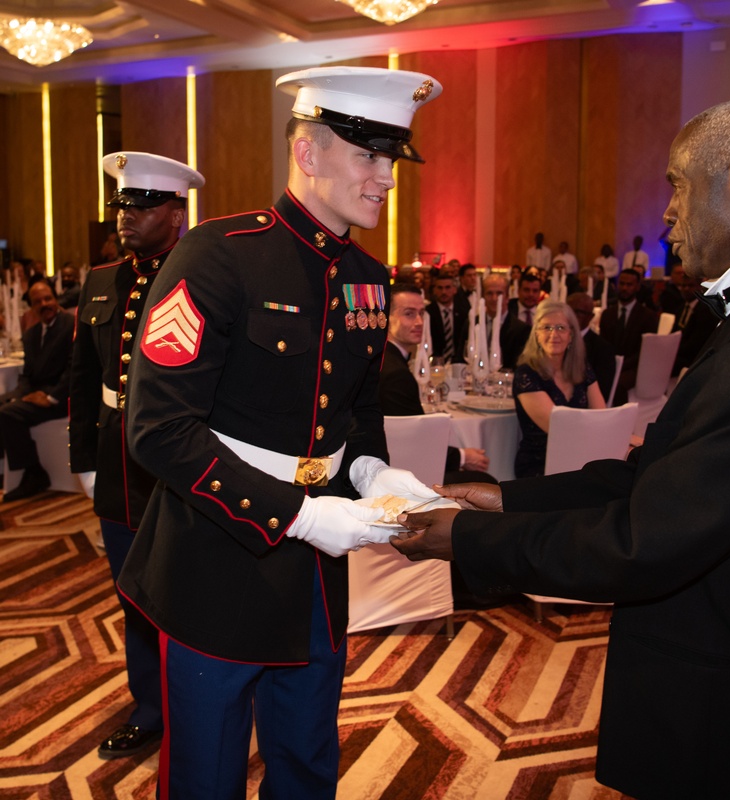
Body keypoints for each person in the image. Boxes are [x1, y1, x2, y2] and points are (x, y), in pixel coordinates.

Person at [392, 93, 730, 799]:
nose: (668, 214)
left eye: (678, 185)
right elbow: (657, 476)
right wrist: (504, 498)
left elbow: (645, 541)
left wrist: (464, 538)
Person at [117, 66, 442, 798]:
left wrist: (372, 471)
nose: (387, 177)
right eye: (369, 156)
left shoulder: (368, 275)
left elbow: (355, 409)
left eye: (393, 159)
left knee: (306, 762)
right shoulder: (217, 254)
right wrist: (302, 515)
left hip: (318, 574)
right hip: (217, 556)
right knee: (207, 773)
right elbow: (160, 430)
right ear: (306, 152)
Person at [69, 151, 205, 759]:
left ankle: (202, 704)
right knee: (133, 594)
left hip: (182, 467)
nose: (126, 217)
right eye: (122, 205)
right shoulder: (101, 280)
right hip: (118, 467)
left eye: (144, 206)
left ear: (176, 214)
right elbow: (82, 378)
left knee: (189, 594)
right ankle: (150, 708)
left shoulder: (203, 274)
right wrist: (84, 459)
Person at [381, 284, 490, 478]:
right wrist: (463, 457)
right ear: (386, 319)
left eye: (422, 313)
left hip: (394, 464)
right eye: (409, 314)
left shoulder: (384, 358)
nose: (419, 322)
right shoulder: (396, 374)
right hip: (401, 474)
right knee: (485, 481)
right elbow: (413, 441)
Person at [512, 299, 604, 478]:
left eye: (561, 328)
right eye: (546, 327)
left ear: (571, 335)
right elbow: (559, 429)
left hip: (581, 459)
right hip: (540, 466)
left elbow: (602, 415)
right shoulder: (526, 374)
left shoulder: (582, 369)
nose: (554, 334)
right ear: (536, 334)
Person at [0, 281, 74, 501]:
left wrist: (51, 397)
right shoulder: (31, 334)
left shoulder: (71, 326)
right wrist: (22, 395)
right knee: (3, 403)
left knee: (7, 413)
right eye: (37, 302)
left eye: (47, 298)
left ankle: (34, 473)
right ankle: (2, 469)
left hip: (62, 398)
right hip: (36, 395)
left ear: (56, 299)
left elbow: (74, 370)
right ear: (32, 307)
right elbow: (26, 375)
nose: (44, 304)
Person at [598, 267, 659, 405]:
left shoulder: (648, 316)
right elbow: (603, 344)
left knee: (618, 384)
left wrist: (621, 365)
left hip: (634, 367)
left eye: (629, 284)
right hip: (611, 363)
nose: (624, 288)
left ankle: (620, 416)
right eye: (622, 284)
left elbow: (645, 350)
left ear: (637, 287)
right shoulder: (607, 314)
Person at [567, 291, 616, 403]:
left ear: (590, 317)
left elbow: (603, 392)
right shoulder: (557, 340)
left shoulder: (602, 348)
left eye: (578, 312)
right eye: (568, 311)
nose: (571, 316)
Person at [670, 271, 717, 376]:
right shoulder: (681, 307)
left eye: (690, 286)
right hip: (679, 352)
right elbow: (674, 333)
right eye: (683, 286)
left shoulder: (705, 310)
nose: (686, 289)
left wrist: (673, 351)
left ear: (699, 287)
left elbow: (696, 343)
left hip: (694, 357)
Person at [480, 273, 530, 369]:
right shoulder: (473, 323)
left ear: (507, 297)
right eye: (489, 293)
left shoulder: (521, 330)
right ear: (483, 297)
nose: (494, 298)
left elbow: (519, 366)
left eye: (499, 294)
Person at [426, 271, 469, 364]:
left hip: (459, 362)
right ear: (434, 290)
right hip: (434, 362)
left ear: (454, 290)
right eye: (440, 288)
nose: (444, 292)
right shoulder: (427, 313)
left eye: (447, 287)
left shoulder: (464, 312)